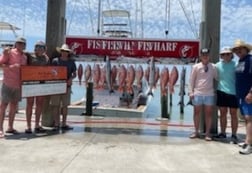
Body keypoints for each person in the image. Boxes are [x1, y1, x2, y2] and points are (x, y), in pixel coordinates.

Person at [0, 37, 27, 138]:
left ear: (25, 45)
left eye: (23, 43)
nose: (21, 45)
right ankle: (0, 129)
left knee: (13, 106)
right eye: (19, 43)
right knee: (3, 106)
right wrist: (11, 67)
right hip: (7, 83)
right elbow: (0, 64)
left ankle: (10, 127)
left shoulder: (25, 57)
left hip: (18, 85)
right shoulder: (9, 52)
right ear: (16, 44)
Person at [188, 48, 218, 141]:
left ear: (209, 56)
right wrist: (190, 92)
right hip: (197, 93)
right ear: (200, 56)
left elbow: (217, 78)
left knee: (209, 114)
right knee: (196, 113)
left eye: (207, 54)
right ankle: (196, 132)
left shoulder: (213, 67)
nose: (205, 56)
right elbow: (191, 80)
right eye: (203, 55)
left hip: (209, 94)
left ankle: (208, 133)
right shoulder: (195, 67)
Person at [232, 39, 252, 154]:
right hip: (240, 95)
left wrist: (250, 93)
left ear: (246, 49)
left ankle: (249, 145)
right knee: (246, 118)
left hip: (248, 95)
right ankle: (247, 140)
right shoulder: (240, 61)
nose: (238, 51)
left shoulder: (250, 60)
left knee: (249, 118)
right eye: (236, 49)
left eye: (240, 49)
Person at [25, 41, 49, 134]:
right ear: (35, 48)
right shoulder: (29, 55)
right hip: (30, 84)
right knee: (29, 104)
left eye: (42, 47)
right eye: (37, 47)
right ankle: (28, 126)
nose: (39, 49)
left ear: (44, 49)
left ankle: (37, 125)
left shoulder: (46, 59)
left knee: (39, 105)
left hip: (41, 84)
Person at [50, 44, 76, 130]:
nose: (65, 53)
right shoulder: (55, 61)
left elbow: (74, 74)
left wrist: (71, 79)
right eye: (63, 51)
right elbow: (51, 72)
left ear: (68, 53)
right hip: (56, 86)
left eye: (66, 52)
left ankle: (64, 123)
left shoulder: (72, 62)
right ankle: (56, 123)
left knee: (65, 105)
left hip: (67, 87)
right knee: (55, 105)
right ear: (61, 52)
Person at [215, 47, 239, 143]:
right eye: (224, 54)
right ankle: (223, 133)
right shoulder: (217, 65)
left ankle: (234, 135)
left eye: (228, 54)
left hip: (234, 92)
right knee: (222, 114)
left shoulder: (236, 64)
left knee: (234, 115)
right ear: (221, 56)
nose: (226, 56)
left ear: (231, 55)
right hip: (221, 92)